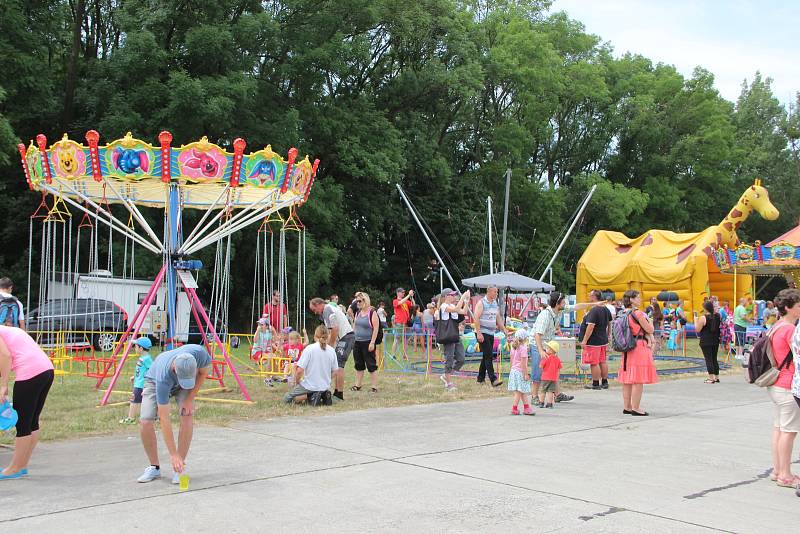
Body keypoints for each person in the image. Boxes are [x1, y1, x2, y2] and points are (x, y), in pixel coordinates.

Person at [136, 344, 211, 484]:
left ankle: (179, 468)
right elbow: (165, 418)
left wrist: (190, 398)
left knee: (187, 414)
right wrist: (173, 454)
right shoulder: (163, 377)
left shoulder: (199, 353)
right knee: (145, 420)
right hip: (153, 381)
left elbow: (203, 373)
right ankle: (154, 467)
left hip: (182, 381)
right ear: (175, 368)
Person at [0, 326, 54, 479]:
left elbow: (5, 356)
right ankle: (21, 465)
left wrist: (4, 385)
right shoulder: (7, 329)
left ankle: (15, 468)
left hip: (30, 372)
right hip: (46, 370)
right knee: (32, 422)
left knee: (22, 423)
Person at [531, 292, 601, 403]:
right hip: (537, 344)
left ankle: (557, 395)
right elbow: (537, 334)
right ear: (557, 304)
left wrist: (594, 304)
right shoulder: (545, 315)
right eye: (563, 302)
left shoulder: (560, 310)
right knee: (538, 371)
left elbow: (577, 306)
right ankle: (534, 396)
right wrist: (540, 350)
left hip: (548, 345)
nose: (565, 304)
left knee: (554, 369)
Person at [765, 289, 800, 488]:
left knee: (779, 428)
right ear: (788, 308)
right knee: (789, 431)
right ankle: (785, 474)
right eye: (798, 306)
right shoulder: (789, 330)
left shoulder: (776, 326)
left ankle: (778, 469)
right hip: (788, 383)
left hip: (776, 383)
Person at [617, 290, 657, 416]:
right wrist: (650, 321)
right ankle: (636, 407)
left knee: (627, 379)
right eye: (638, 297)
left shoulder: (622, 313)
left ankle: (627, 406)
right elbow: (650, 329)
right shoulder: (638, 314)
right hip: (638, 346)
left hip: (626, 348)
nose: (640, 299)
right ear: (632, 299)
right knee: (638, 379)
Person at [309, 297, 354, 400]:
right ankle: (336, 392)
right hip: (343, 337)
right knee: (336, 365)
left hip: (346, 337)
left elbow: (335, 328)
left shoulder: (327, 310)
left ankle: (339, 394)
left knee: (339, 365)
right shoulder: (326, 311)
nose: (315, 312)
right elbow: (331, 331)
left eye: (314, 309)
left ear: (319, 304)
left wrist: (330, 345)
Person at [283, 325, 337, 405]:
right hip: (325, 386)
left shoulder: (309, 349)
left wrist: (298, 382)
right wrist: (326, 379)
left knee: (287, 398)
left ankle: (312, 396)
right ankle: (322, 395)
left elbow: (299, 371)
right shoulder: (332, 351)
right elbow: (335, 371)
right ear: (327, 336)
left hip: (309, 385)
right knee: (319, 390)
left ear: (315, 336)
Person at [579, 289, 613, 390]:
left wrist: (584, 340)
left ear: (594, 297)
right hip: (603, 339)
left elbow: (590, 327)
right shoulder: (605, 309)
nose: (589, 297)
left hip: (593, 341)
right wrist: (609, 334)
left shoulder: (594, 310)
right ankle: (605, 381)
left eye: (590, 295)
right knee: (602, 361)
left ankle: (595, 383)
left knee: (594, 362)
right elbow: (610, 322)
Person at [437, 288, 470, 391]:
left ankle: (446, 376)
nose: (454, 296)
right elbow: (456, 310)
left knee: (461, 359)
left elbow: (463, 311)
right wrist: (463, 297)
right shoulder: (443, 306)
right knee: (449, 359)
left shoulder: (452, 306)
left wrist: (466, 301)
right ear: (446, 296)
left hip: (455, 335)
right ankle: (448, 383)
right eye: (452, 295)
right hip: (448, 336)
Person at [472, 285, 505, 387]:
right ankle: (493, 379)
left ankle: (480, 378)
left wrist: (504, 329)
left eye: (497, 292)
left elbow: (498, 317)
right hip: (482, 331)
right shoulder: (481, 303)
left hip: (491, 332)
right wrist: (479, 333)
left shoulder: (495, 303)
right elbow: (476, 317)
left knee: (486, 355)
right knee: (489, 355)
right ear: (489, 292)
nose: (496, 294)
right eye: (495, 292)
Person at [120, 337, 154, 424]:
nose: (134, 348)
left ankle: (131, 418)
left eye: (136, 346)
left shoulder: (147, 359)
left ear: (141, 348)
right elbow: (141, 370)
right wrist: (135, 377)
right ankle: (153, 416)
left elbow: (152, 370)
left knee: (134, 401)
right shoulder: (143, 358)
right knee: (142, 401)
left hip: (141, 385)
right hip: (138, 383)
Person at [351, 292, 380, 393]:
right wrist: (352, 338)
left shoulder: (372, 312)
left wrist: (372, 342)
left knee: (371, 364)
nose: (357, 303)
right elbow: (355, 325)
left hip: (367, 342)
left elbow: (376, 328)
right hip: (357, 342)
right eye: (356, 301)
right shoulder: (358, 312)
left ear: (365, 300)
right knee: (358, 364)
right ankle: (357, 385)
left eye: (359, 301)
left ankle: (374, 386)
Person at [508, 329, 534, 415]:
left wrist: (512, 369)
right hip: (520, 372)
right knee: (519, 392)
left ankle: (526, 407)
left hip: (514, 371)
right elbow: (523, 364)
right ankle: (514, 408)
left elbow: (511, 359)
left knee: (522, 391)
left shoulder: (513, 346)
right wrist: (525, 374)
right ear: (525, 338)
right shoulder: (523, 348)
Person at [695, 301, 721, 384]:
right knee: (714, 359)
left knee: (708, 359)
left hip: (706, 341)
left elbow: (697, 329)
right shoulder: (717, 316)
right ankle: (716, 377)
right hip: (715, 340)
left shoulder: (703, 318)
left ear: (705, 308)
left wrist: (696, 320)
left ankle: (711, 378)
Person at [538, 341, 562, 409]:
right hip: (553, 378)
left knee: (543, 390)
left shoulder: (546, 357)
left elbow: (540, 366)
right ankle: (549, 404)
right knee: (550, 391)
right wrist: (557, 377)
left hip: (545, 377)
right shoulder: (557, 359)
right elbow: (559, 368)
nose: (546, 349)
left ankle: (541, 403)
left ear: (551, 350)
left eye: (548, 348)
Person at [392, 288, 414, 356]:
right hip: (399, 323)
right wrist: (408, 295)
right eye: (402, 292)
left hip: (406, 323)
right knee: (397, 339)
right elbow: (400, 303)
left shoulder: (406, 301)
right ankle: (393, 355)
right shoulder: (395, 301)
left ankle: (405, 354)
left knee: (406, 339)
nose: (403, 293)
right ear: (398, 293)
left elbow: (413, 305)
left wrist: (411, 297)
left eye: (404, 292)